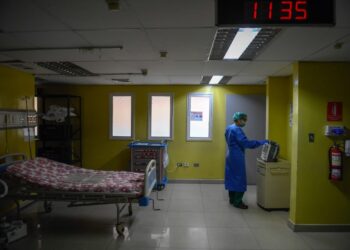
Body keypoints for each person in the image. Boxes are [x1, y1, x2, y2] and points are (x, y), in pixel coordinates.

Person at [225, 112, 268, 209]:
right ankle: (238, 202)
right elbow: (246, 143)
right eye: (244, 120)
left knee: (232, 177)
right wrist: (262, 142)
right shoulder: (237, 130)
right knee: (239, 178)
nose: (245, 122)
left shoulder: (229, 128)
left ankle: (232, 199)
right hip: (237, 157)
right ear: (238, 119)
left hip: (230, 155)